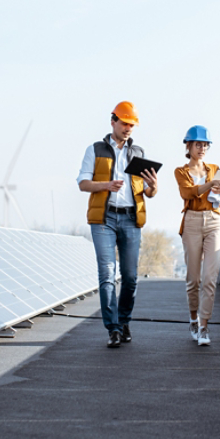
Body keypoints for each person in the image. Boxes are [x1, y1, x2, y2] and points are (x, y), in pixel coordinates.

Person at [77, 101, 158, 348]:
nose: (128, 128)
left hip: (131, 218)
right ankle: (112, 328)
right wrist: (106, 185)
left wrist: (153, 187)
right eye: (124, 123)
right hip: (104, 218)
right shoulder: (96, 149)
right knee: (107, 274)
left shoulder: (139, 153)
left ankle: (123, 322)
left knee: (131, 277)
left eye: (131, 125)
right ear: (113, 121)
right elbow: (82, 183)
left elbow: (147, 192)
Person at [174, 126, 220, 346]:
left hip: (214, 221)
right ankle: (193, 319)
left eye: (205, 144)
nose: (202, 148)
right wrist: (210, 185)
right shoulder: (181, 171)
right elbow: (187, 193)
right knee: (194, 279)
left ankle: (204, 326)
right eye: (198, 144)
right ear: (188, 146)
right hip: (192, 222)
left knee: (210, 278)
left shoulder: (215, 169)